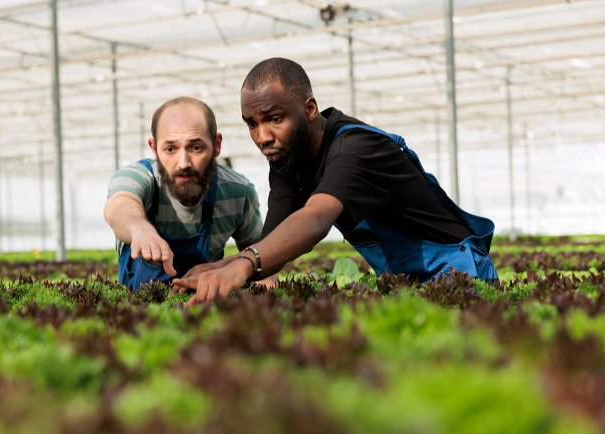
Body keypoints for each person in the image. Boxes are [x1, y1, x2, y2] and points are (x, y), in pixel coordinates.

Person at [173, 57, 498, 303]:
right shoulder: (288, 160)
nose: (263, 137)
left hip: (459, 272)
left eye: (275, 119)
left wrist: (243, 264)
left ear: (310, 109)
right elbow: (272, 247)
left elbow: (315, 219)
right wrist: (223, 267)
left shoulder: (354, 150)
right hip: (405, 281)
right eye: (252, 124)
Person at [104, 96, 264, 291]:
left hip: (206, 312)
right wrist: (139, 229)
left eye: (196, 148)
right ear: (154, 149)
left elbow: (261, 257)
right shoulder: (139, 177)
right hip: (141, 313)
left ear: (217, 144)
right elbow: (120, 205)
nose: (183, 164)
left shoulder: (239, 193)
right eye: (170, 149)